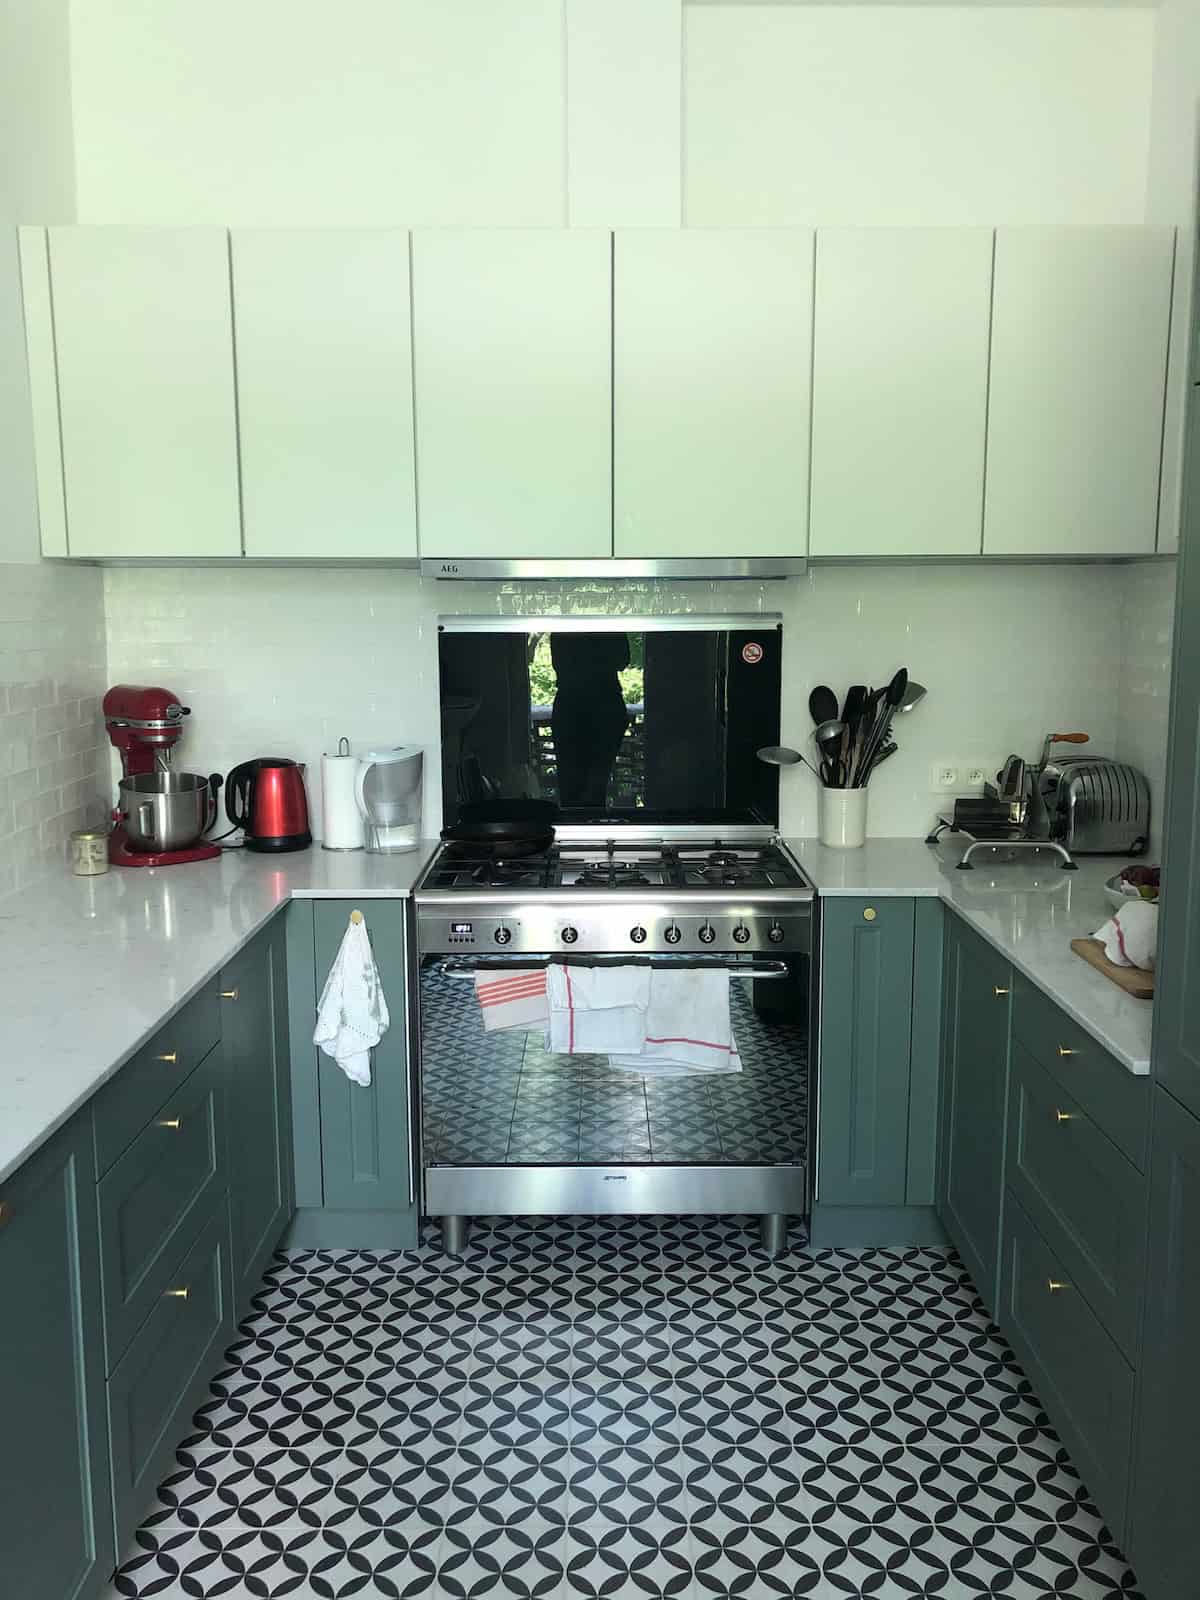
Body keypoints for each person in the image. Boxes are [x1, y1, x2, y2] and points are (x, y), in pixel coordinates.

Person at [550, 633, 630, 811]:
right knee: (592, 785)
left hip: (574, 707)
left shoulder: (563, 629)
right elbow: (622, 659)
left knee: (574, 785)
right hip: (602, 706)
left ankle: (578, 822)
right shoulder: (608, 626)